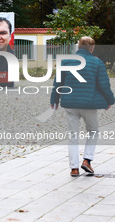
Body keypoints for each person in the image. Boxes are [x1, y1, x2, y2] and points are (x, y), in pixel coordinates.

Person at [50, 36, 114, 177]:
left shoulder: (65, 61)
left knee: (73, 135)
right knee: (93, 131)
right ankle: (87, 160)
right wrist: (110, 100)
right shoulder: (97, 62)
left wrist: (54, 100)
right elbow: (104, 85)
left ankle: (74, 168)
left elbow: (57, 84)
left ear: (78, 47)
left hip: (70, 104)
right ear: (92, 48)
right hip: (89, 104)